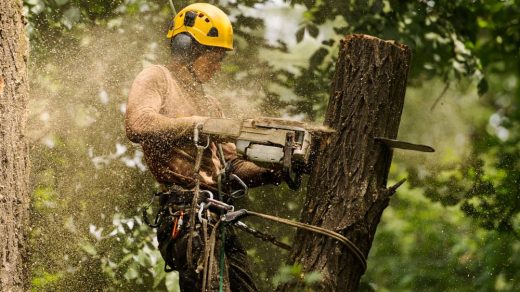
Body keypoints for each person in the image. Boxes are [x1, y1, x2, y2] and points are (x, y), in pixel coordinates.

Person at [125, 3, 281, 291]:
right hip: (185, 215)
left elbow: (232, 167)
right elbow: (138, 123)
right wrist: (196, 123)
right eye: (214, 57)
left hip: (216, 215)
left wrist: (277, 168)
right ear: (187, 49)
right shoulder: (158, 77)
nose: (218, 66)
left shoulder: (210, 104)